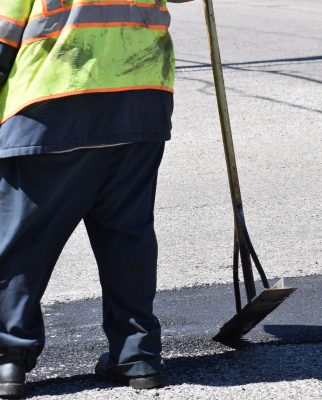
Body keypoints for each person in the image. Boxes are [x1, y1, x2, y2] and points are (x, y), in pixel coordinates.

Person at [0, 0, 191, 397]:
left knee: (21, 245)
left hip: (52, 103)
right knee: (127, 236)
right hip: (140, 101)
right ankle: (137, 357)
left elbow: (3, 30)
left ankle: (8, 359)